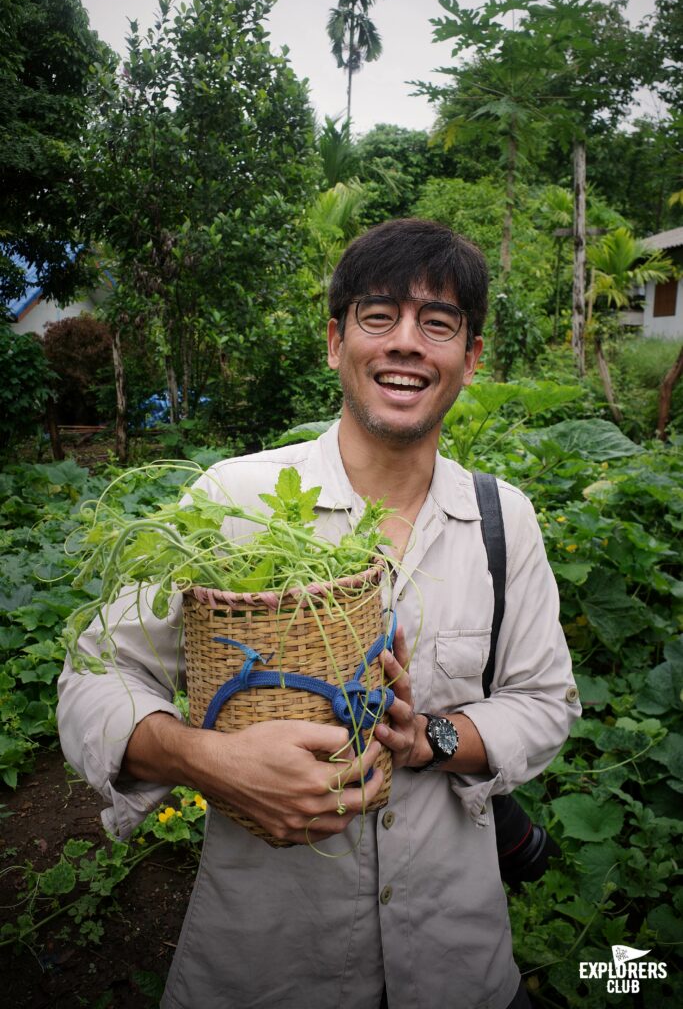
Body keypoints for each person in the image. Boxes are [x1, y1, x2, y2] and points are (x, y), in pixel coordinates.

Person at [58, 218, 581, 1009]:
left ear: (469, 359)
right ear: (335, 342)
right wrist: (207, 761)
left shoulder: (503, 519)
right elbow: (94, 679)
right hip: (265, 969)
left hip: (457, 966)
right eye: (378, 317)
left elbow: (544, 703)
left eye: (436, 324)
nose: (406, 342)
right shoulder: (233, 501)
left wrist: (434, 737)